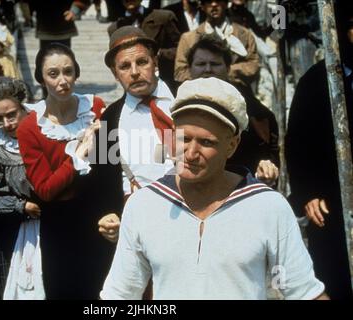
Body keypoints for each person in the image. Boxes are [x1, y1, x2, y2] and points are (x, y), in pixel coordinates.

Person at [100, 77, 328, 300]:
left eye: (206, 142)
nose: (190, 153)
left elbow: (303, 292)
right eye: (184, 138)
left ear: (232, 145)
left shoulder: (268, 207)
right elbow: (120, 294)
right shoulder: (144, 206)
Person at [16, 43, 113, 299]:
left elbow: (107, 165)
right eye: (53, 74)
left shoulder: (95, 108)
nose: (63, 81)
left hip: (97, 215)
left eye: (68, 72)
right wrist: (78, 155)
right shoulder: (30, 128)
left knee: (101, 290)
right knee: (65, 289)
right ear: (41, 78)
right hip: (59, 223)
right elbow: (45, 189)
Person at [285, 4, 353, 300]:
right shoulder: (314, 82)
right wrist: (308, 194)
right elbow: (297, 146)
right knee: (334, 278)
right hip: (329, 206)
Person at [96, 26, 176, 243]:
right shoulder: (109, 120)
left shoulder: (186, 98)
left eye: (142, 62)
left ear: (155, 62)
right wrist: (110, 215)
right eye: (124, 66)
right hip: (141, 227)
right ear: (115, 73)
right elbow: (104, 180)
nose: (134, 72)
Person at [0, 76, 44, 299]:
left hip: (54, 224)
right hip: (17, 233)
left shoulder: (47, 129)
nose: (7, 124)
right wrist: (21, 206)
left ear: (22, 106)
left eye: (11, 115)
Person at [187, 33, 279, 185]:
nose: (208, 69)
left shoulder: (251, 110)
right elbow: (167, 155)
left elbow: (267, 152)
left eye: (215, 64)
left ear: (228, 68)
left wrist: (264, 169)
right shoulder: (174, 105)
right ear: (190, 68)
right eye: (201, 64)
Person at [175, 0, 259, 87]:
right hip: (199, 93)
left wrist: (224, 73)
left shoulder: (244, 34)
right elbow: (180, 72)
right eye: (209, 1)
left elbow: (253, 66)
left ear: (226, 4)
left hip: (237, 90)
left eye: (218, 1)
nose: (214, 4)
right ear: (202, 6)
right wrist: (205, 81)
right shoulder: (188, 38)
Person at [108, 0, 182, 93]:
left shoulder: (163, 18)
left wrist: (160, 54)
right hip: (135, 88)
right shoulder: (114, 29)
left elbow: (182, 50)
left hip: (167, 83)